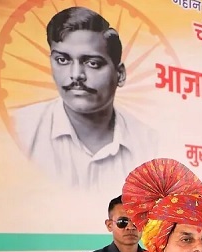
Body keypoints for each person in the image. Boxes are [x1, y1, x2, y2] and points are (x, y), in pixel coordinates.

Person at [12, 7, 157, 189]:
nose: (76, 75)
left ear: (120, 75)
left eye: (92, 63)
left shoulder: (150, 145)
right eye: (62, 60)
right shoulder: (20, 129)